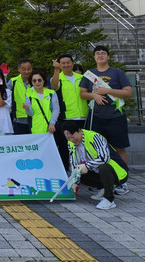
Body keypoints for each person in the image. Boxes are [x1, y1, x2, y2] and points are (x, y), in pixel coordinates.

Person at [80, 45, 132, 194]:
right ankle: (102, 182)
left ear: (108, 57)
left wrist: (107, 91)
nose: (100, 55)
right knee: (97, 149)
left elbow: (128, 92)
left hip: (116, 116)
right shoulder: (89, 75)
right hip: (97, 117)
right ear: (94, 57)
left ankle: (122, 181)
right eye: (97, 53)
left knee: (119, 148)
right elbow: (82, 93)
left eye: (103, 53)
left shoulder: (117, 73)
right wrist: (94, 95)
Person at [63, 120, 129, 210]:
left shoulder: (95, 137)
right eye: (68, 138)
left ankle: (109, 199)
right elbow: (73, 163)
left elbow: (104, 158)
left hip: (118, 173)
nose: (71, 140)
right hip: (98, 172)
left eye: (72, 137)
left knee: (103, 167)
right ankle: (103, 188)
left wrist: (86, 166)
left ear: (79, 131)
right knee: (78, 170)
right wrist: (74, 182)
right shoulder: (70, 143)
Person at [51, 53, 87, 168]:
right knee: (65, 148)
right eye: (63, 63)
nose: (66, 65)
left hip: (83, 116)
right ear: (60, 65)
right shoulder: (58, 78)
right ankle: (66, 170)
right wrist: (56, 70)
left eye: (68, 62)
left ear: (73, 63)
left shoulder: (81, 78)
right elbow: (53, 86)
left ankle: (85, 170)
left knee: (83, 146)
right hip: (67, 118)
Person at [23, 70, 59, 135]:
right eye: (34, 81)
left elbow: (56, 110)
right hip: (36, 129)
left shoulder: (51, 93)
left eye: (39, 80)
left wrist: (52, 123)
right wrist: (27, 109)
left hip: (50, 128)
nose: (37, 82)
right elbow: (30, 114)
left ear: (44, 81)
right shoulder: (28, 95)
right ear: (31, 82)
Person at [8, 58, 33, 135]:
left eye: (29, 69)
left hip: (35, 117)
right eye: (24, 69)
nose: (26, 71)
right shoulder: (13, 81)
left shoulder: (36, 81)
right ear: (19, 69)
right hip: (19, 119)